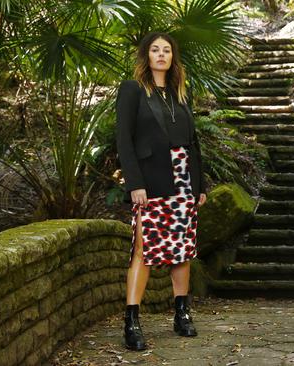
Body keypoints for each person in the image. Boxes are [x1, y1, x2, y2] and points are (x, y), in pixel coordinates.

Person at [115, 32, 207, 351]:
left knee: (182, 249)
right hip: (152, 181)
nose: (161, 54)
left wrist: (200, 184)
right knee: (144, 249)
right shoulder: (132, 90)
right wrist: (134, 183)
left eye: (166, 50)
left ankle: (182, 314)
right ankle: (132, 321)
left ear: (172, 57)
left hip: (184, 179)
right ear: (146, 55)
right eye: (155, 49)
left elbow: (194, 142)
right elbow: (124, 140)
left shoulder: (182, 91)